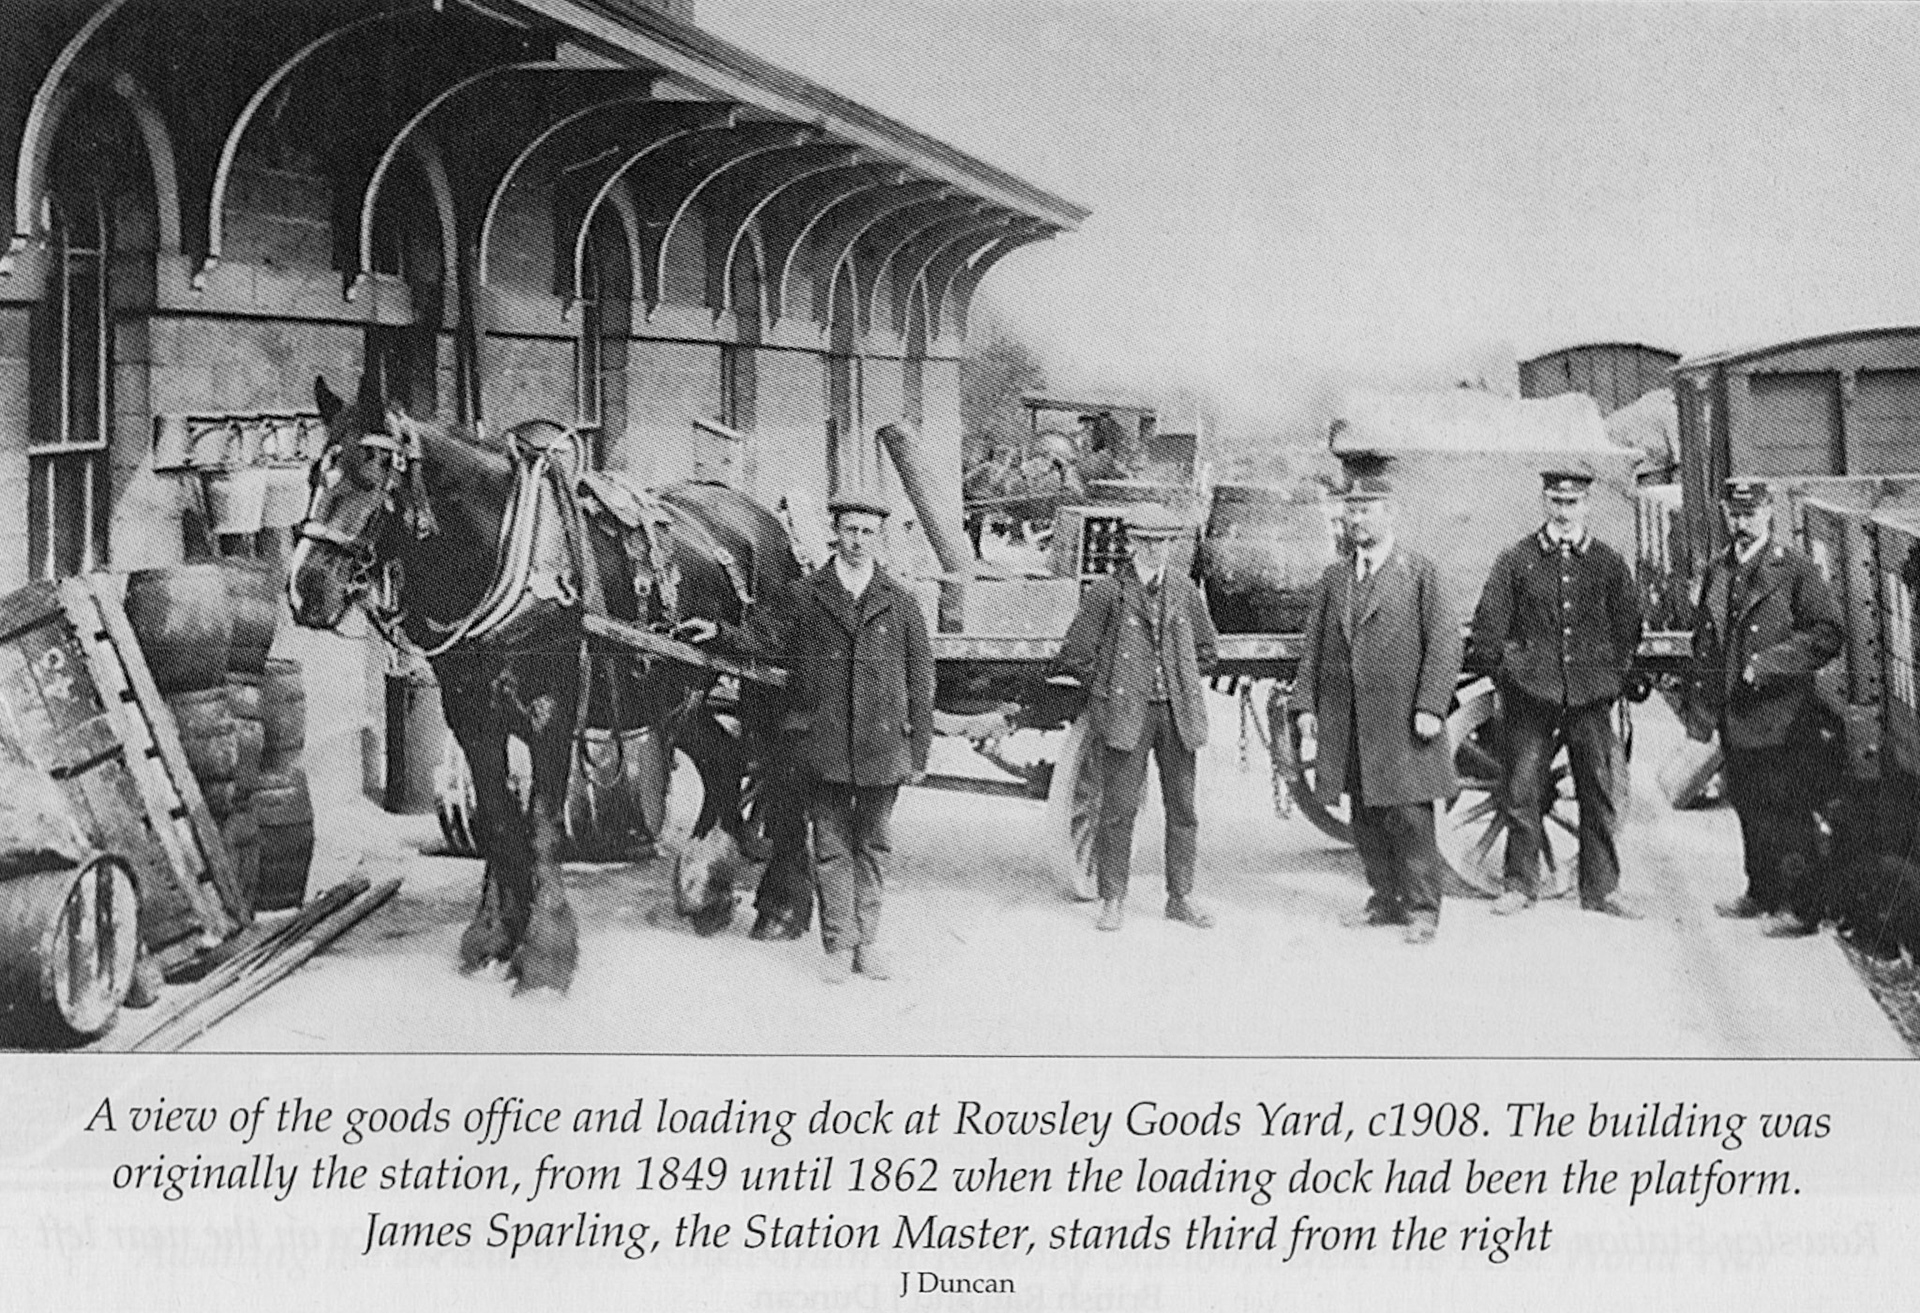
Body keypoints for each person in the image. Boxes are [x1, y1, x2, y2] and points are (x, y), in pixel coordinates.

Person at [685, 494, 934, 981]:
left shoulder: (900, 603)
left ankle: (870, 945)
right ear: (834, 534)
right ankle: (841, 946)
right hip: (823, 746)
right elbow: (762, 638)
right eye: (850, 530)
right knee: (832, 847)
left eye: (867, 532)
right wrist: (716, 631)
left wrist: (918, 750)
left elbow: (921, 680)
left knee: (874, 847)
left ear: (877, 538)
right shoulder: (804, 597)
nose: (858, 540)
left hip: (883, 747)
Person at [1293, 455, 1462, 945]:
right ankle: (1385, 899)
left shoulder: (1418, 572)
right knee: (1365, 817)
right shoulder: (1335, 578)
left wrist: (1431, 706)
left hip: (1402, 722)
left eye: (1366, 510)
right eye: (1351, 511)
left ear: (1390, 514)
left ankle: (1424, 909)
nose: (1356, 520)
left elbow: (1446, 641)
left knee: (1409, 817)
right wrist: (1306, 705)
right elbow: (1315, 646)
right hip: (1349, 722)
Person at [1468, 465, 1644, 918]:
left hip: (1588, 699)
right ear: (1545, 503)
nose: (1565, 512)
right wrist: (1516, 676)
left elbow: (1628, 627)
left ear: (1586, 504)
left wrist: (1608, 677)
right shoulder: (1517, 560)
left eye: (1573, 503)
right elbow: (1488, 631)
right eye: (1557, 502)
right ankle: (1519, 886)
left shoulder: (1606, 562)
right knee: (1522, 791)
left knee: (1598, 793)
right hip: (1533, 699)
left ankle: (1602, 889)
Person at [1683, 476, 1844, 936]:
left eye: (1751, 513)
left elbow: (1827, 634)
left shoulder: (1795, 570)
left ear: (1770, 512)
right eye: (1735, 514)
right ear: (1724, 514)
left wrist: (1771, 664)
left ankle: (1801, 908)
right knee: (1748, 803)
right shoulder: (1718, 569)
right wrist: (1703, 712)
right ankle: (1761, 891)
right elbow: (1705, 644)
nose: (1742, 523)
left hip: (1782, 717)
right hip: (1735, 716)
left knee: (1788, 809)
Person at [1053, 502, 1219, 932]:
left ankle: (1180, 897)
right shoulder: (1109, 592)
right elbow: (1074, 655)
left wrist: (1178, 680)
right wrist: (1111, 686)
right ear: (1129, 542)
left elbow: (1206, 651)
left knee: (1183, 809)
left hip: (1176, 715)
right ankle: (1113, 899)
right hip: (1128, 715)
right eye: (1144, 541)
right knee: (1118, 808)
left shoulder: (1183, 590)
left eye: (1161, 542)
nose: (1153, 549)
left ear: (1170, 546)